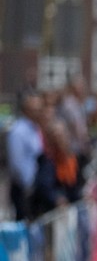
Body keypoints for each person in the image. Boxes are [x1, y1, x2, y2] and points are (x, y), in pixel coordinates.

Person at [6, 88, 45, 221]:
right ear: (26, 109)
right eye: (35, 108)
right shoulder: (18, 131)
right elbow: (16, 162)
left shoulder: (35, 129)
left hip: (36, 190)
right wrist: (28, 186)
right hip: (24, 190)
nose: (39, 111)